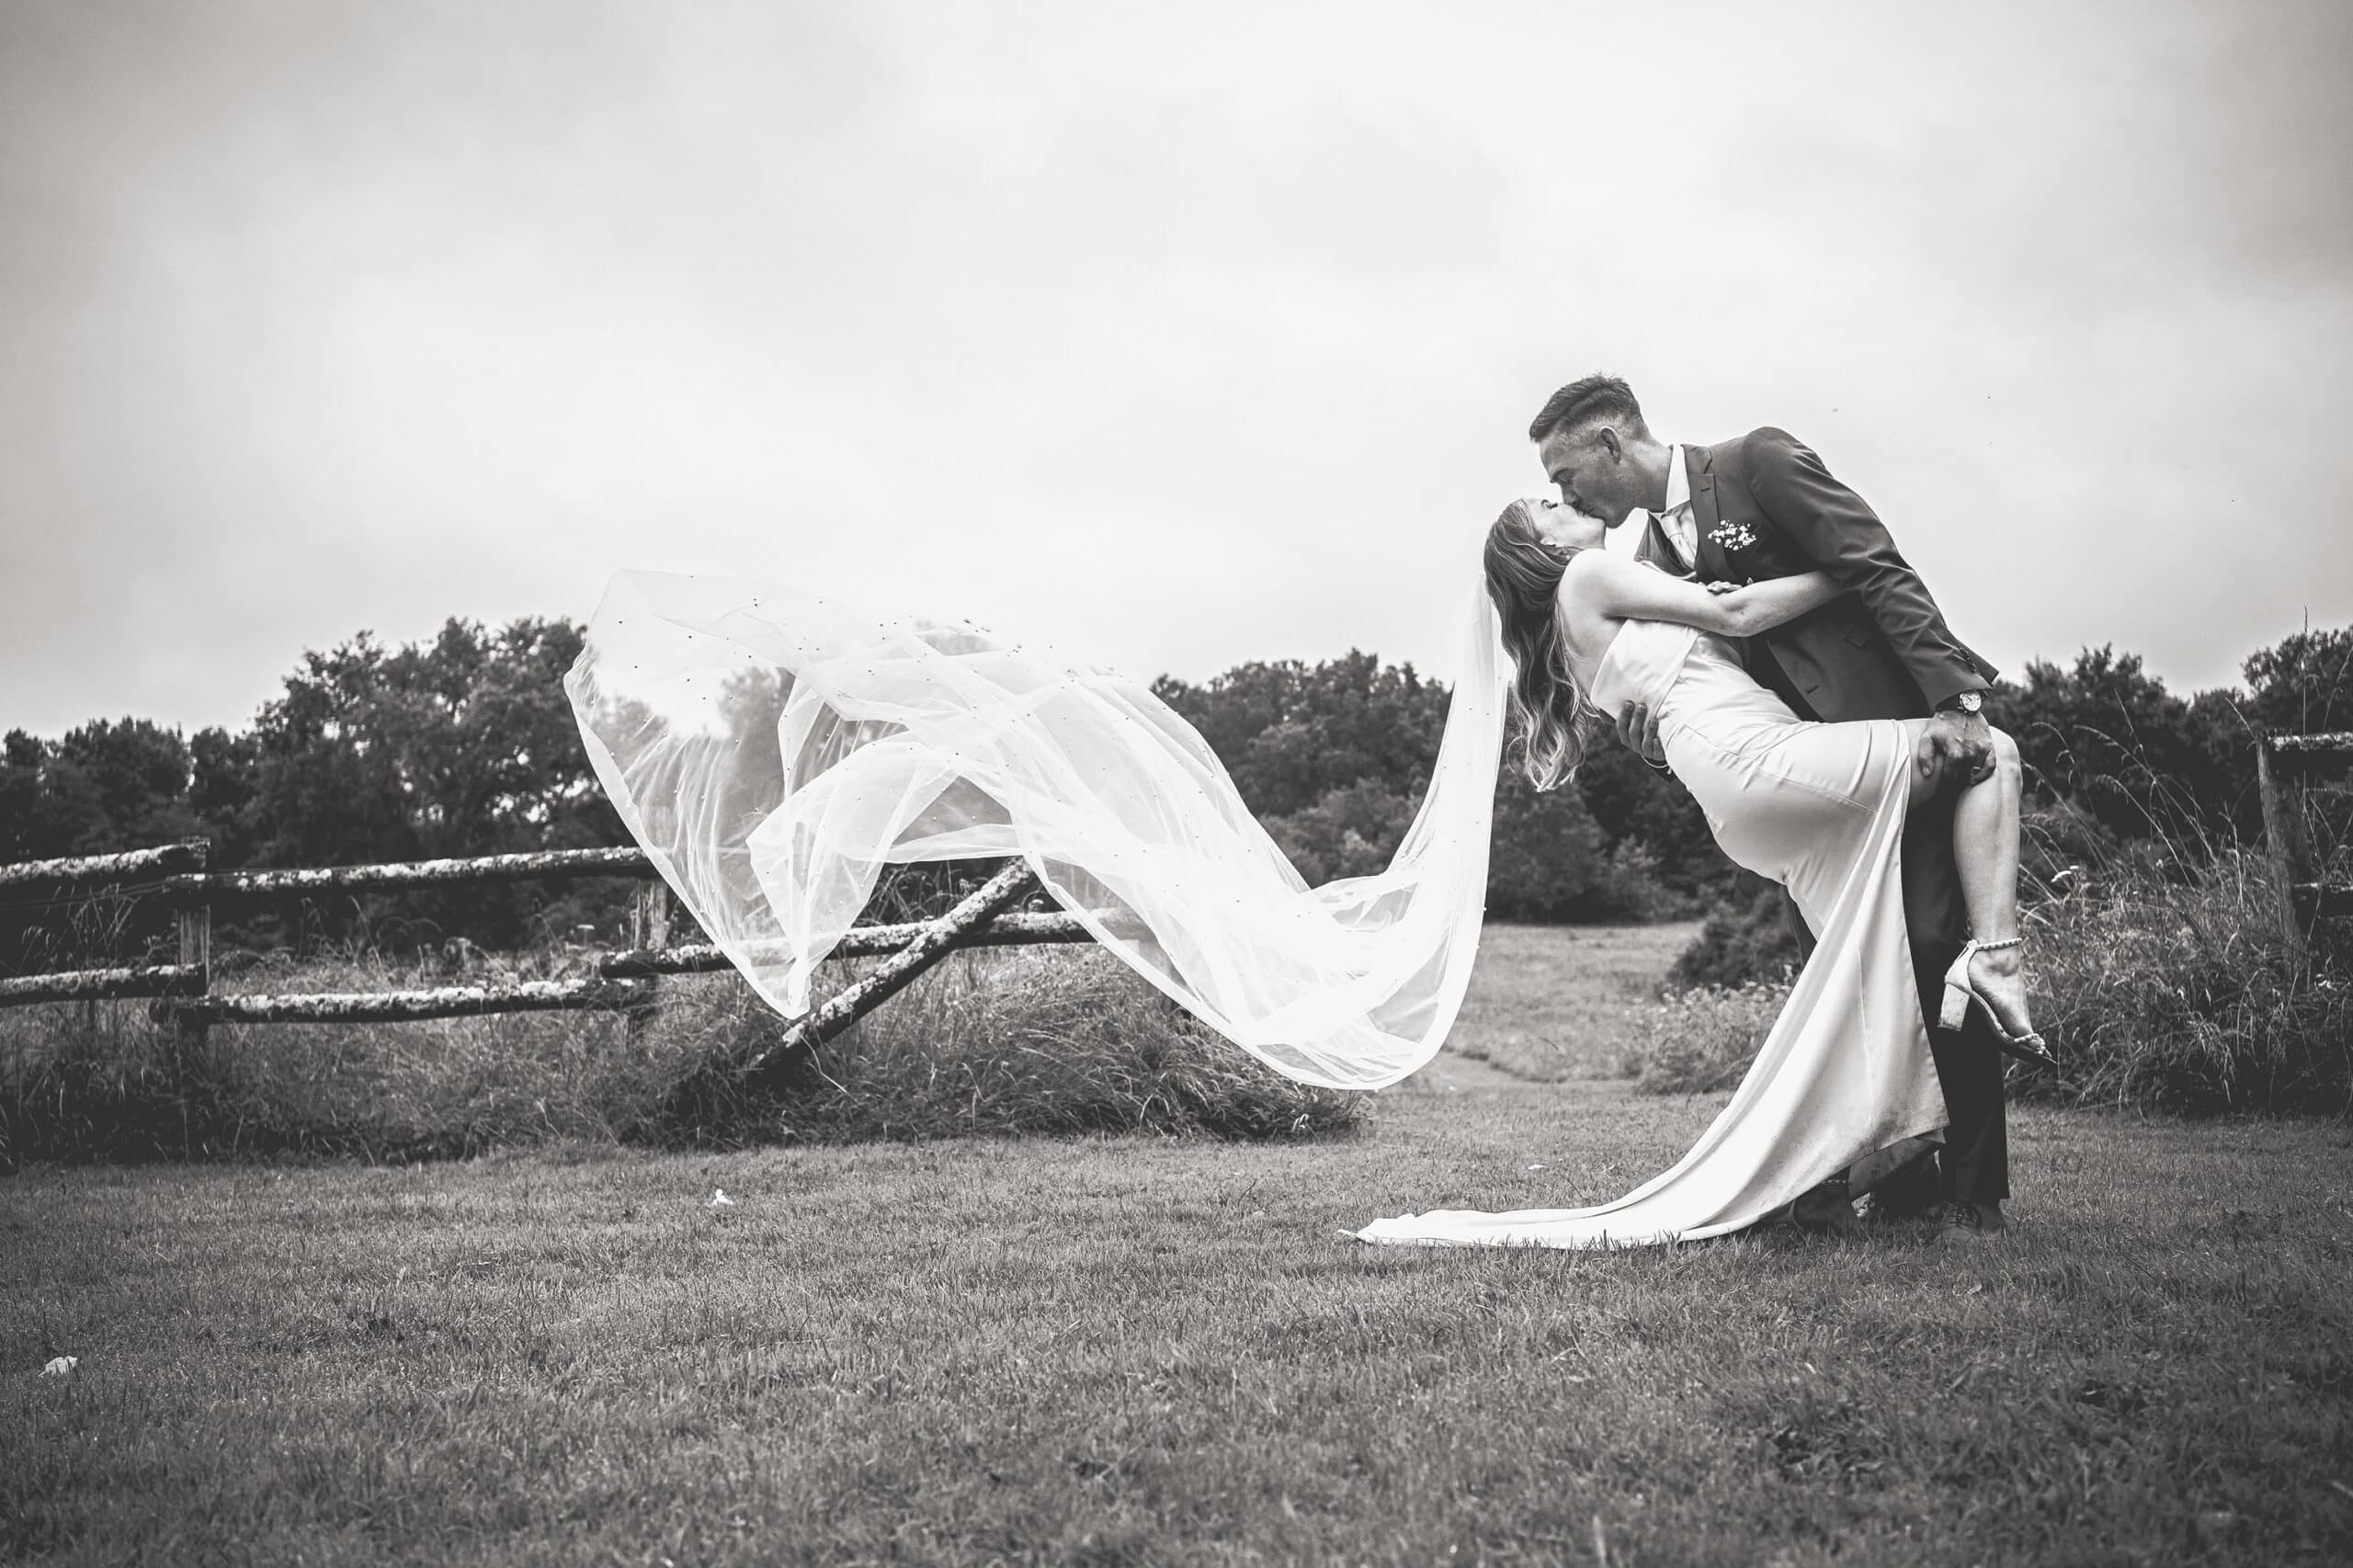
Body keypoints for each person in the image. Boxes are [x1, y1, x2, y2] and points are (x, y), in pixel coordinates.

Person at [1348, 499, 2045, 1251]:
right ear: (1540, 544)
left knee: (1879, 976)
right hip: (1756, 760)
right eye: (1546, 505)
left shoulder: (1569, 638)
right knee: (1990, 752)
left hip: (1735, 795)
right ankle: (1997, 957)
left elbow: (1677, 690)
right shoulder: (1586, 576)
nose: (1563, 501)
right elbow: (1735, 614)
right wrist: (1851, 569)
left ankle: (1823, 1182)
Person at [1537, 375, 2018, 1243]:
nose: (1563, 495)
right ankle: (1897, 1176)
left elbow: (1876, 563)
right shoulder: (1644, 562)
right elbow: (1698, 681)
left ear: (1610, 444)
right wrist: (1654, 742)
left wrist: (1955, 701)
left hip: (1889, 730)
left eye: (1565, 475)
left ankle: (1975, 1193)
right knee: (1845, 978)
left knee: (1933, 942)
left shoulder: (1754, 462)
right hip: (1795, 776)